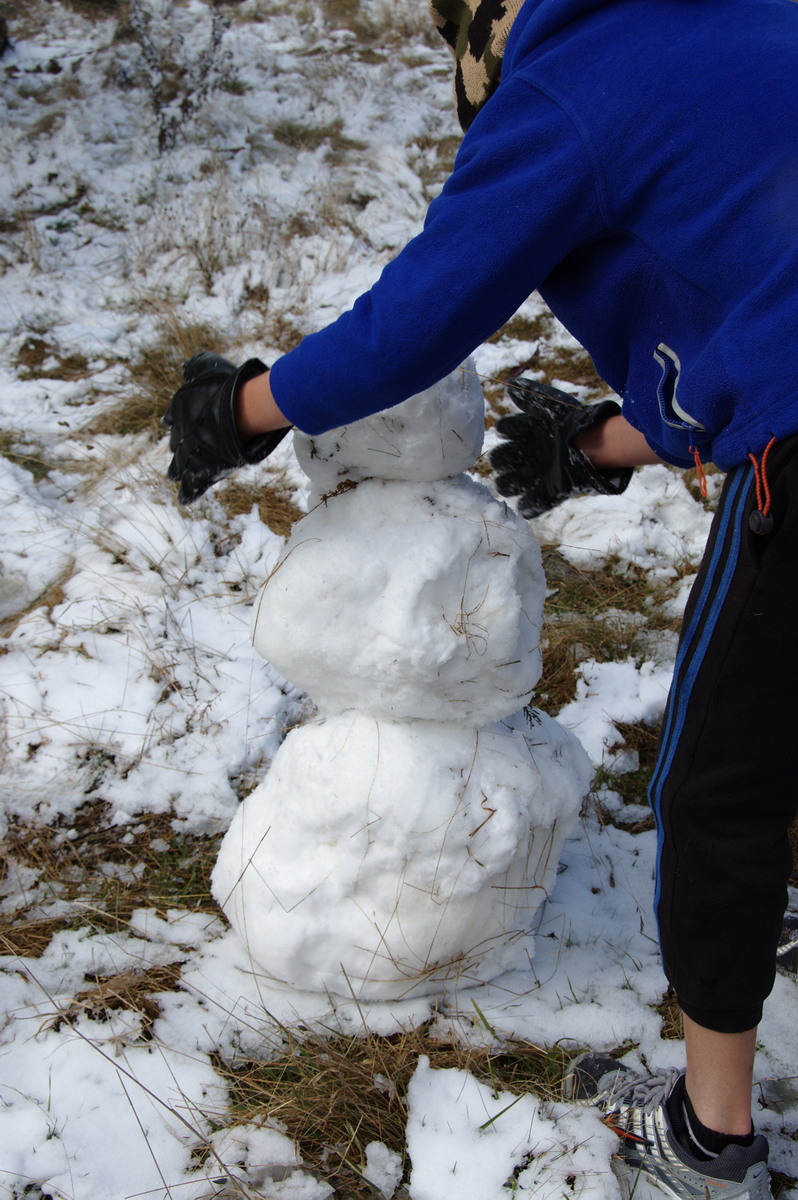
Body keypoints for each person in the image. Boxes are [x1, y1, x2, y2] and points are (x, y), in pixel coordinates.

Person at [164, 1, 798, 1196]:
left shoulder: (564, 82)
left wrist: (243, 408)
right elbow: (755, 280)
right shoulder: (744, 20)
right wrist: (610, 443)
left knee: (716, 788)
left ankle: (711, 1139)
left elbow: (410, 326)